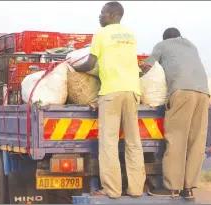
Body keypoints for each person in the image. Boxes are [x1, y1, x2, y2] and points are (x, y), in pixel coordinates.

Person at [69, 1, 146, 199]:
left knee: (109, 143)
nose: (99, 16)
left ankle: (112, 190)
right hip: (133, 91)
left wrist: (72, 68)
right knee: (133, 142)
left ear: (111, 15)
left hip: (111, 91)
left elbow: (89, 64)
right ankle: (136, 189)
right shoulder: (131, 34)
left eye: (102, 13)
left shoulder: (101, 34)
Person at [141, 28, 210, 199]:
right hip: (203, 93)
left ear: (165, 38)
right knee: (196, 141)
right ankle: (188, 188)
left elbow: (147, 67)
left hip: (182, 92)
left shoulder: (162, 45)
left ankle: (171, 187)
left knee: (177, 139)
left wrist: (135, 78)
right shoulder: (191, 46)